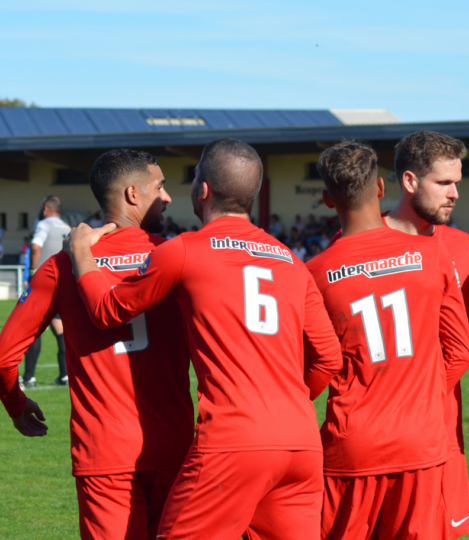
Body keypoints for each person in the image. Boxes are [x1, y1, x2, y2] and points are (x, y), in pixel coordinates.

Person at [66, 138, 342, 540]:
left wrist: (81, 255)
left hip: (233, 441)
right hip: (300, 445)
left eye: (194, 175)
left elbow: (107, 311)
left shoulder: (182, 250)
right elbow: (329, 358)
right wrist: (287, 405)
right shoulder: (291, 259)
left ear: (204, 190)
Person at [0, 149, 195, 540]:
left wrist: (17, 407)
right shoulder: (180, 259)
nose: (168, 197)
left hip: (104, 452)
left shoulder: (60, 265)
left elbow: (4, 355)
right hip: (176, 447)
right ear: (132, 194)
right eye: (160, 186)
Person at [307, 141, 469, 540]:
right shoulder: (431, 254)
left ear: (327, 200)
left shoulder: (315, 272)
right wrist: (421, 399)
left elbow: (317, 364)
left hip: (352, 445)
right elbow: (461, 352)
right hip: (422, 444)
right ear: (382, 188)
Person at [372, 131, 469, 538]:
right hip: (372, 432)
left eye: (457, 182)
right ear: (409, 182)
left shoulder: (459, 244)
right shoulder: (363, 242)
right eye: (443, 183)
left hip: (439, 427)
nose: (455, 193)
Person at [23, 196, 71, 387]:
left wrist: (32, 272)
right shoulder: (67, 228)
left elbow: (35, 245)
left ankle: (29, 377)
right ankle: (65, 376)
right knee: (60, 330)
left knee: (34, 329)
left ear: (45, 209)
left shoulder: (44, 224)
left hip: (44, 285)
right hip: (62, 285)